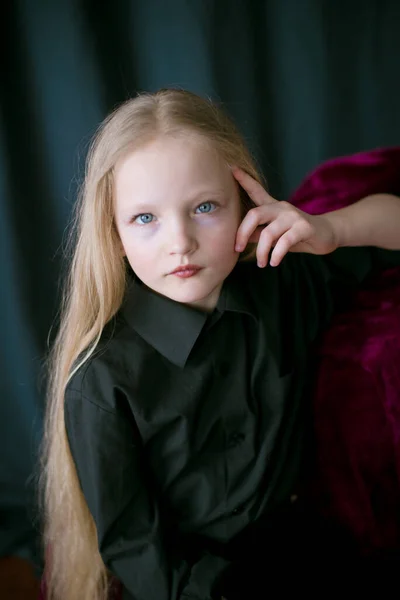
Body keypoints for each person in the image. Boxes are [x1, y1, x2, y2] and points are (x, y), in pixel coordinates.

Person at [41, 88, 400, 600]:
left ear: (245, 205)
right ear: (113, 234)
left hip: (308, 550)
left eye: (205, 207)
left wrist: (331, 229)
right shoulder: (101, 381)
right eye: (145, 218)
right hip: (193, 584)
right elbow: (134, 544)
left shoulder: (287, 283)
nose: (179, 242)